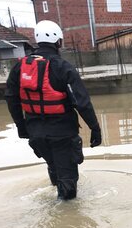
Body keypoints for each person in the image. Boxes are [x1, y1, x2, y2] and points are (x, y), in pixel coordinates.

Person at [5, 20, 102, 200]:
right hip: (62, 133)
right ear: (59, 42)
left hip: (36, 133)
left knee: (53, 166)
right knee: (68, 180)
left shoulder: (19, 67)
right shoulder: (63, 67)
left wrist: (21, 127)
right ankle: (66, 219)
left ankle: (55, 197)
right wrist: (95, 128)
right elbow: (82, 103)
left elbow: (11, 99)